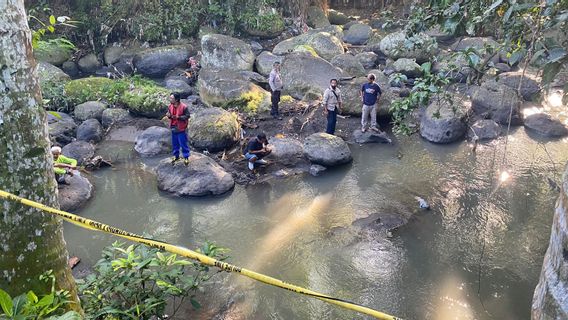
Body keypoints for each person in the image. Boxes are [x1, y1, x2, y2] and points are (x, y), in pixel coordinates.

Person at [166, 92, 191, 165]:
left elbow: (187, 116)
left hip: (181, 128)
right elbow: (170, 115)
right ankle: (176, 156)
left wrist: (179, 117)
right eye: (170, 98)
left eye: (171, 98)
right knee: (175, 143)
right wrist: (169, 116)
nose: (170, 99)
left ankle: (186, 157)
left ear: (176, 99)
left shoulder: (184, 107)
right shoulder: (170, 106)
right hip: (173, 127)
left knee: (183, 143)